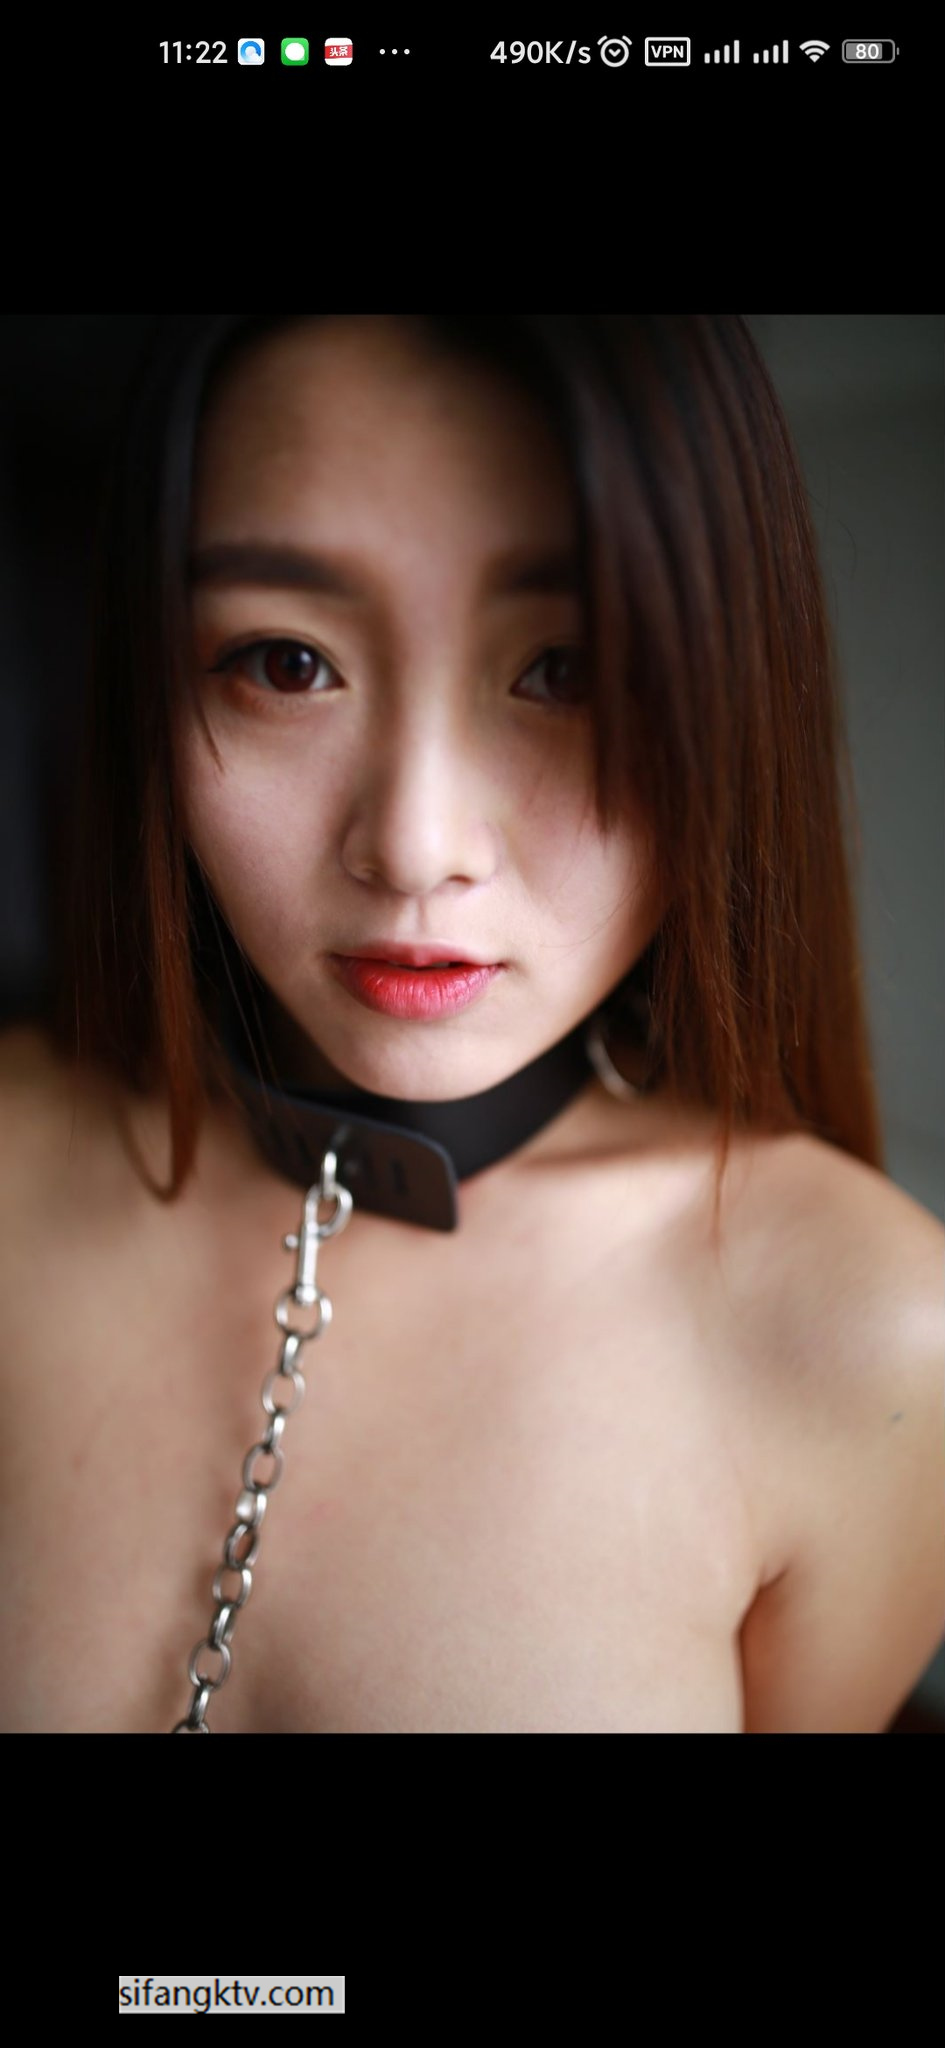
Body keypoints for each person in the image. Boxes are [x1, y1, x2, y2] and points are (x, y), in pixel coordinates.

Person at [2, 314, 941, 1735]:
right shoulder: (13, 1161)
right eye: (285, 662)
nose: (413, 844)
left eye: (564, 670)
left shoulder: (873, 1339)